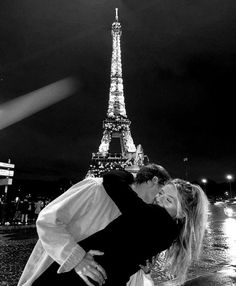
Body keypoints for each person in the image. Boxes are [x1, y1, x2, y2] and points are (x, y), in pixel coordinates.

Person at [18, 163, 171, 286]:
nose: (160, 201)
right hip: (54, 274)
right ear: (154, 181)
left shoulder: (140, 214)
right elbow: (49, 220)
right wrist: (76, 258)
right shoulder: (96, 188)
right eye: (162, 193)